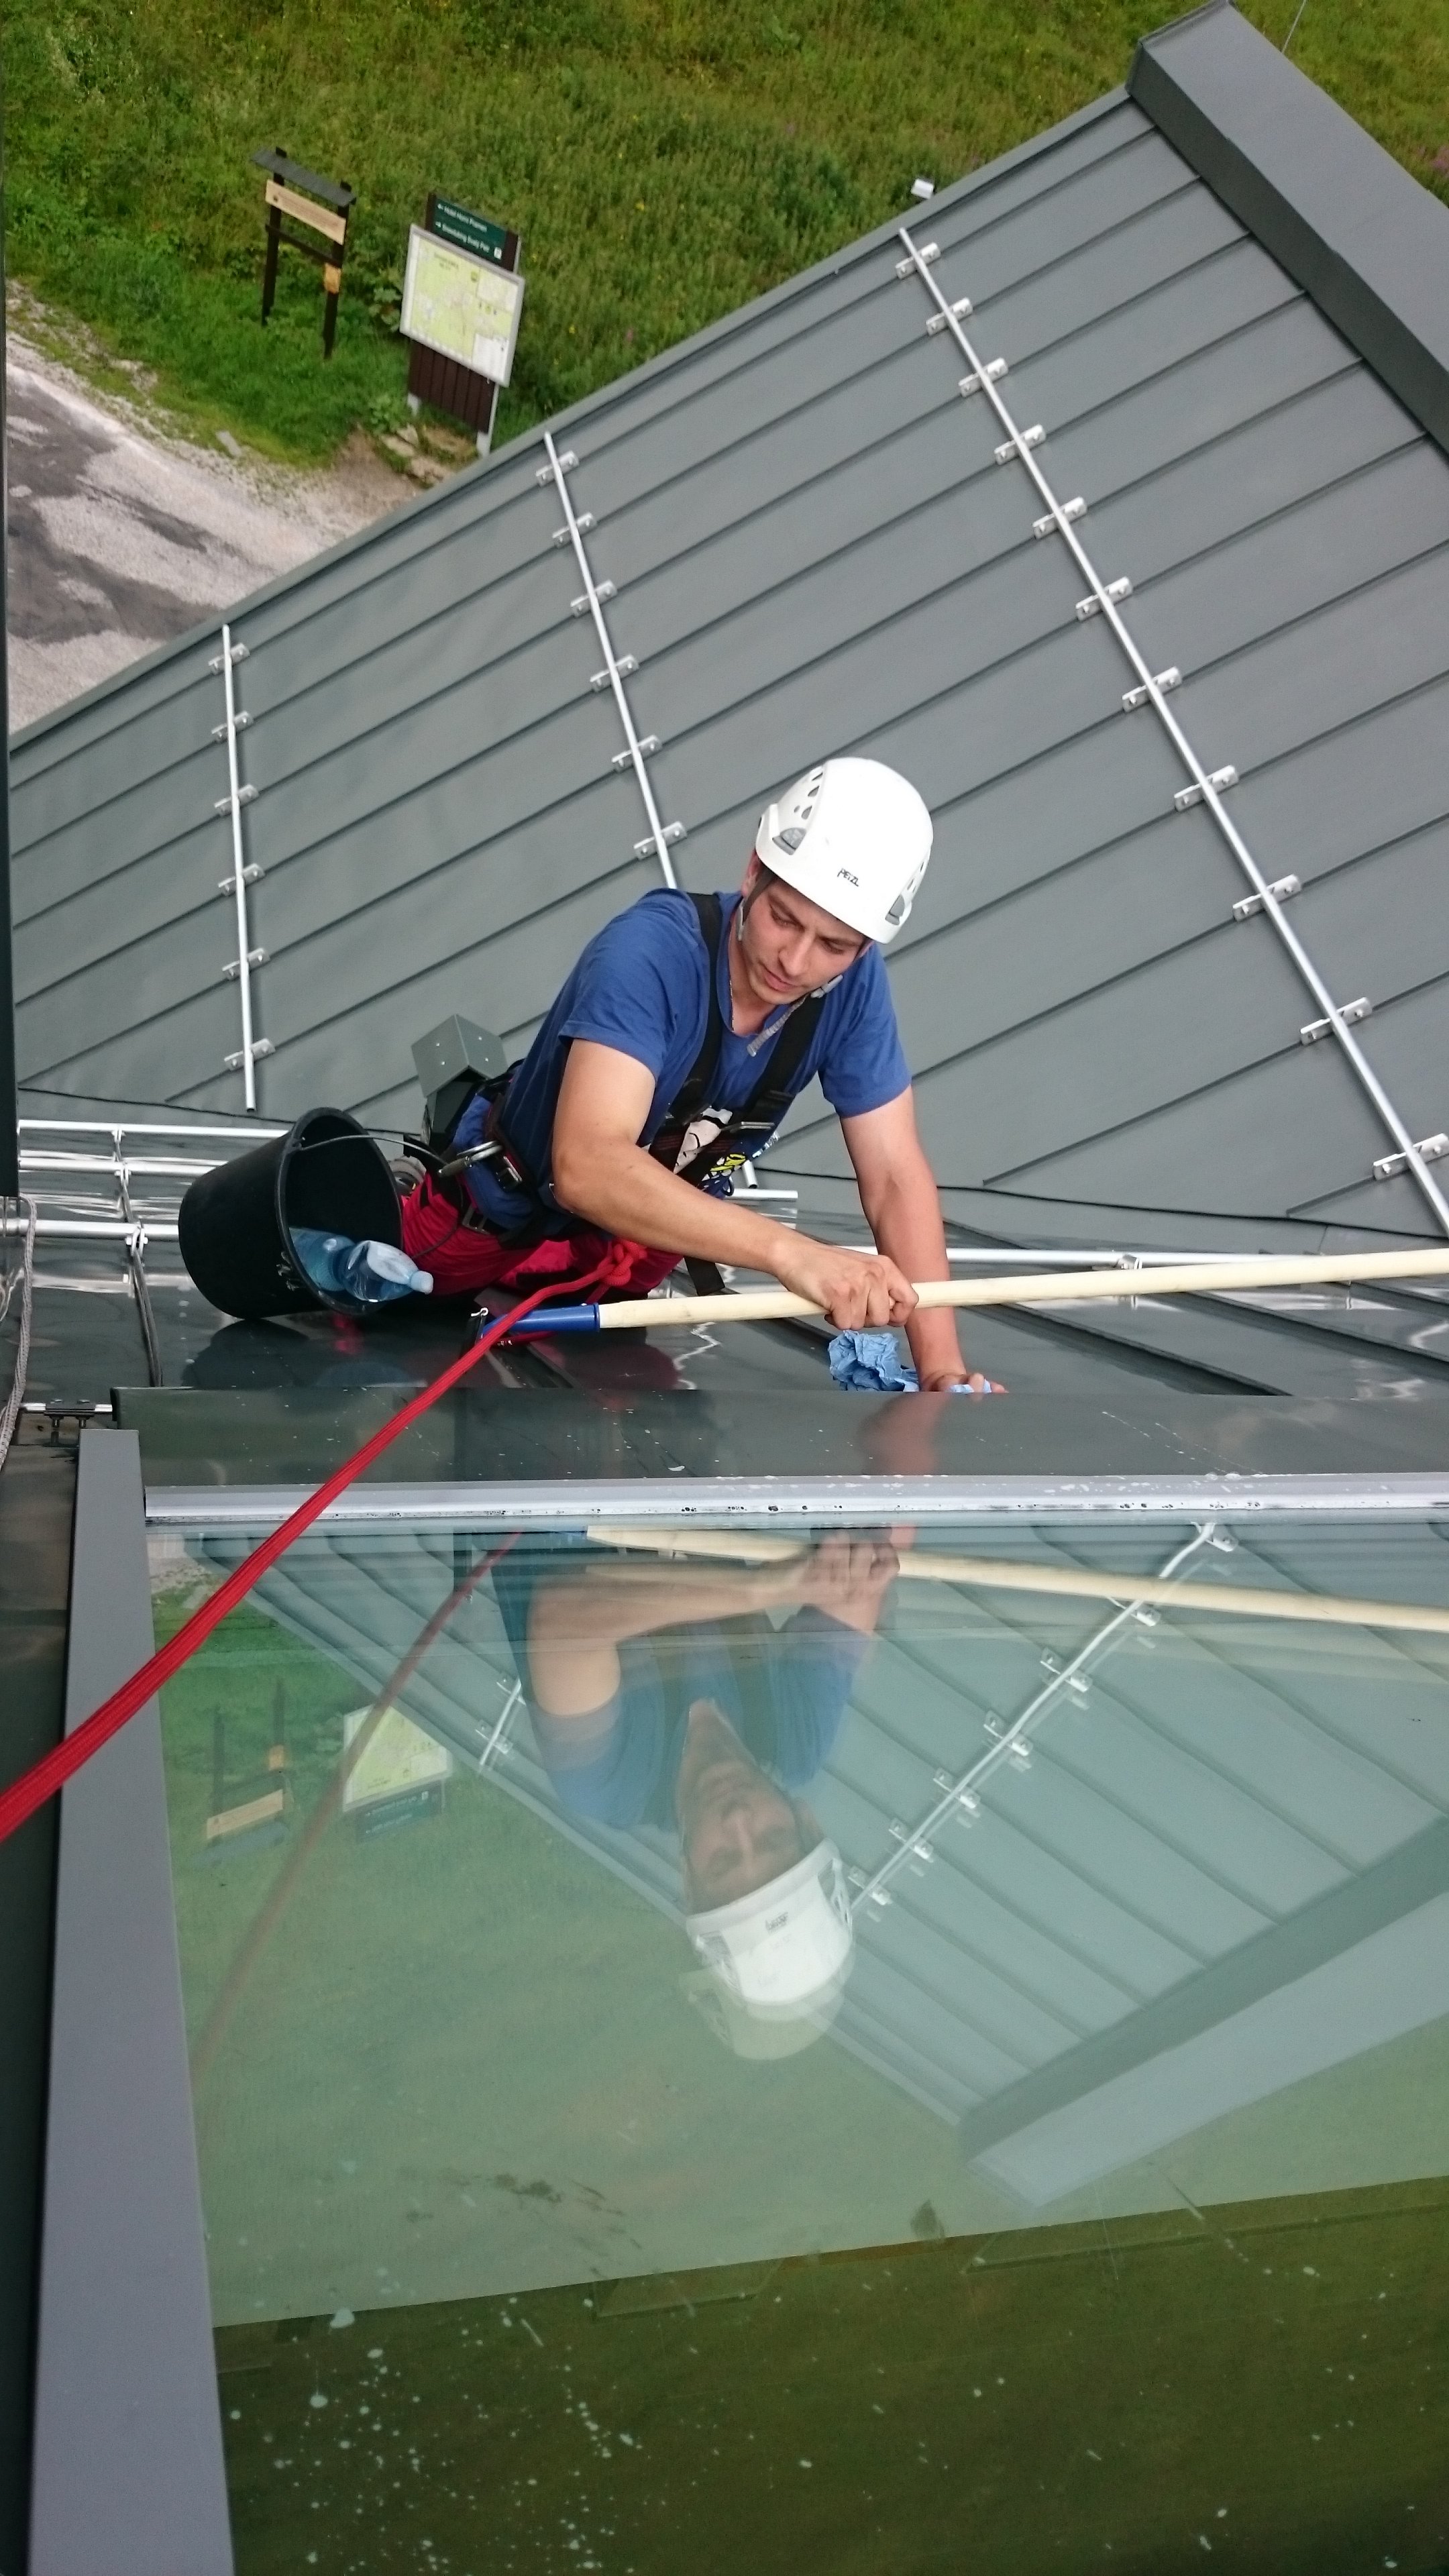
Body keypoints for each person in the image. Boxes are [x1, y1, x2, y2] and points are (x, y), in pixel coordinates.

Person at [400, 757, 998, 1393]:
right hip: (494, 1223)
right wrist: (793, 1253)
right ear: (753, 871)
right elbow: (588, 1165)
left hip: (635, 1251)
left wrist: (943, 1372)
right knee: (393, 1330)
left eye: (833, 945)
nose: (795, 962)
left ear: (864, 948)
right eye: (784, 918)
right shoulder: (651, 954)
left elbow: (895, 1177)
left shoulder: (852, 987)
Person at [494, 1532, 901, 2051]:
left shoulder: (607, 1780)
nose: (738, 1821)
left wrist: (766, 1589)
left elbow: (562, 1619)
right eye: (773, 1839)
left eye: (724, 1861)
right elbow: (861, 1571)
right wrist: (862, 1564)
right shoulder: (795, 1742)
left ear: (688, 1879)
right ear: (806, 1821)